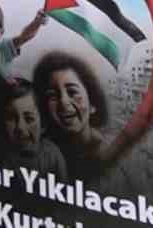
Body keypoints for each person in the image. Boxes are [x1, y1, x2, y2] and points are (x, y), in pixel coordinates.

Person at [35, 52, 113, 182]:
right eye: (53, 95)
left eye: (72, 92)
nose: (64, 102)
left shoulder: (112, 152)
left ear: (92, 102)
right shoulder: (43, 153)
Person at [0, 78, 67, 179]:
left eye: (29, 119)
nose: (20, 127)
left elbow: (63, 189)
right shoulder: (3, 157)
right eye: (11, 118)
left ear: (43, 124)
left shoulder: (52, 155)